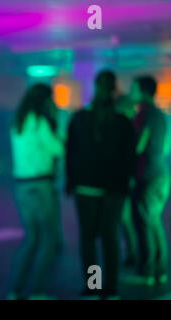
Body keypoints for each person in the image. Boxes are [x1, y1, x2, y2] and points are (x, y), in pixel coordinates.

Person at [66, 70, 136, 299]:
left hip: (85, 187)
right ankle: (110, 288)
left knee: (88, 239)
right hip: (113, 190)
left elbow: (70, 154)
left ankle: (93, 286)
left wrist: (71, 182)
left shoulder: (79, 119)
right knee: (110, 239)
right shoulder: (123, 122)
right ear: (114, 90)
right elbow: (129, 159)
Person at [7, 84, 64, 300]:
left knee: (31, 238)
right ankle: (38, 290)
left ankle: (15, 289)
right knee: (48, 238)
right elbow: (58, 149)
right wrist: (58, 129)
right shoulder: (40, 122)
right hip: (40, 184)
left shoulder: (19, 123)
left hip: (21, 185)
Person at [125, 76, 170, 286]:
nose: (130, 90)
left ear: (142, 90)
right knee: (154, 222)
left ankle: (147, 271)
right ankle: (159, 270)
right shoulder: (161, 115)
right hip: (161, 174)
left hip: (147, 176)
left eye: (133, 87)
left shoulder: (143, 114)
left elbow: (137, 146)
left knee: (143, 223)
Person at [116, 95, 138, 267]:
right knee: (126, 220)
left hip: (121, 181)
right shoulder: (130, 127)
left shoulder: (126, 128)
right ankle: (131, 252)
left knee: (125, 219)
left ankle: (131, 253)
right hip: (125, 180)